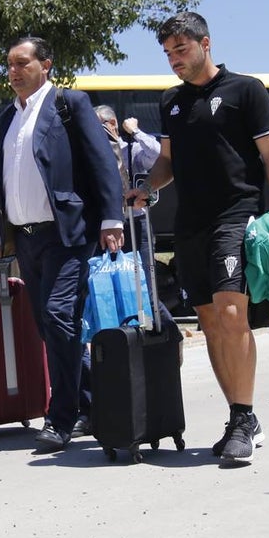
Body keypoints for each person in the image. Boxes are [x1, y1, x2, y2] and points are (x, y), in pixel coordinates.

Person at [129, 12, 269, 463]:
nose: (174, 60)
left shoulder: (246, 90)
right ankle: (242, 418)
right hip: (190, 224)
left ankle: (242, 417)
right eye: (167, 53)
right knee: (209, 320)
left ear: (206, 43)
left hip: (236, 216)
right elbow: (167, 162)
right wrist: (145, 187)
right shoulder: (171, 102)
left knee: (230, 311)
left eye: (181, 50)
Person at [0, 36, 124, 452]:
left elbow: (101, 162)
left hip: (67, 234)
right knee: (50, 327)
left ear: (46, 64)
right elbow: (1, 181)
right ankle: (94, 403)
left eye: (22, 63)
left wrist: (111, 217)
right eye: (9, 64)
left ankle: (59, 418)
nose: (13, 71)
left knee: (59, 316)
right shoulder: (8, 117)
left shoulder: (70, 104)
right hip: (25, 239)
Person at [93, 105, 183, 356]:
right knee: (111, 284)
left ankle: (170, 335)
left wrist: (136, 131)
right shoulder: (93, 153)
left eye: (101, 125)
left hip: (136, 223)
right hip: (107, 227)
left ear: (112, 124)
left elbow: (160, 157)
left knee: (145, 282)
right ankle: (127, 341)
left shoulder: (131, 148)